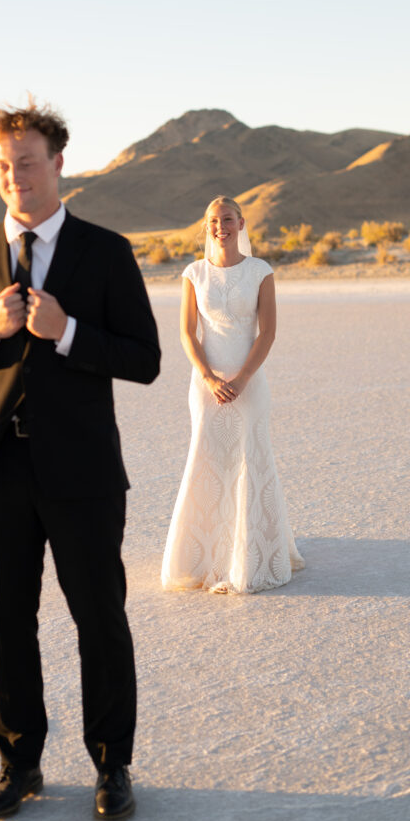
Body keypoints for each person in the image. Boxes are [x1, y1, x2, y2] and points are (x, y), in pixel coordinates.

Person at [0, 99, 160, 821]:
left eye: (26, 163)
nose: (14, 177)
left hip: (83, 475)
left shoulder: (107, 251)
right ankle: (18, 763)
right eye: (1, 165)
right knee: (7, 623)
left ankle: (112, 765)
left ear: (58, 163)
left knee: (100, 619)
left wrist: (69, 332)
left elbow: (145, 360)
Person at [161, 196, 304, 594]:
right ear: (206, 226)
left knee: (249, 459)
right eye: (213, 220)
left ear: (241, 224)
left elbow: (268, 333)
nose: (220, 225)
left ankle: (250, 556)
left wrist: (241, 380)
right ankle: (204, 559)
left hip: (250, 382)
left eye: (227, 218)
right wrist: (208, 377)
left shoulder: (261, 271)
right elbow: (187, 333)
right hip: (205, 384)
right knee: (207, 458)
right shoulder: (194, 273)